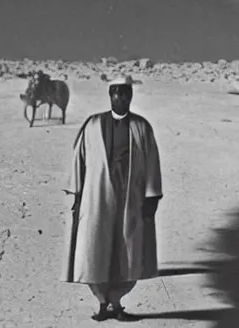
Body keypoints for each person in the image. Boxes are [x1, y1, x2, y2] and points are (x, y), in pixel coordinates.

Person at [60, 75, 163, 322]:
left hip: (131, 200)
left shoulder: (141, 127)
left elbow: (152, 164)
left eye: (125, 93)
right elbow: (79, 161)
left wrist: (152, 198)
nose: (121, 97)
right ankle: (102, 302)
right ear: (110, 95)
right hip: (97, 199)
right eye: (116, 93)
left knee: (129, 253)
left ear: (131, 96)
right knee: (93, 250)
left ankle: (117, 303)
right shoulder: (93, 125)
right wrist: (75, 194)